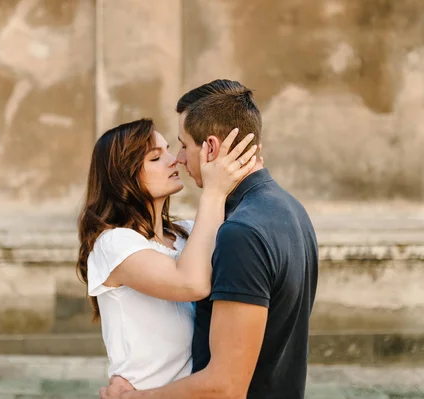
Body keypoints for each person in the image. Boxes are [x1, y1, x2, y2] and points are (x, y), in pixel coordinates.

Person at [100, 80, 319, 399]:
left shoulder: (240, 233)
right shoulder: (291, 210)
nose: (179, 159)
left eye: (183, 145)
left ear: (212, 149)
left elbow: (224, 387)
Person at [76, 118, 258, 390]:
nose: (174, 161)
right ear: (124, 175)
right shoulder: (113, 245)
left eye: (169, 151)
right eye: (155, 158)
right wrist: (214, 191)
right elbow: (192, 283)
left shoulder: (187, 233)